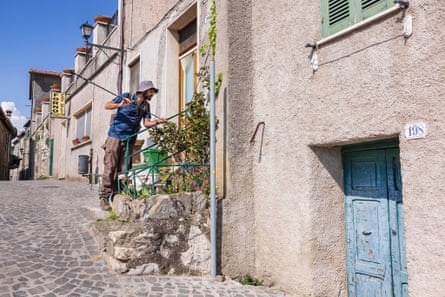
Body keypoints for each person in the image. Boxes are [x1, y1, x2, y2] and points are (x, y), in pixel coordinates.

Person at [98, 80, 167, 210]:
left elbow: (146, 123)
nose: (152, 94)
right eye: (151, 92)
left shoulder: (146, 106)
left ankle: (118, 193)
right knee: (110, 165)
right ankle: (104, 197)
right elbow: (106, 105)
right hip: (115, 136)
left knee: (125, 168)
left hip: (130, 139)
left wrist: (158, 121)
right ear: (144, 90)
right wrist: (120, 104)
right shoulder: (127, 96)